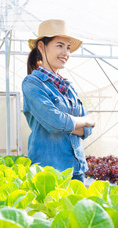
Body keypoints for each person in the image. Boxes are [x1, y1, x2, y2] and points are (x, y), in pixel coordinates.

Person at [22, 19, 95, 182]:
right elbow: (55, 123)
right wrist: (84, 121)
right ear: (41, 47)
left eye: (68, 47)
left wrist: (67, 124)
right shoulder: (32, 83)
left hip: (77, 170)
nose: (66, 53)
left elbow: (87, 130)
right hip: (49, 172)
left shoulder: (68, 86)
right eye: (60, 45)